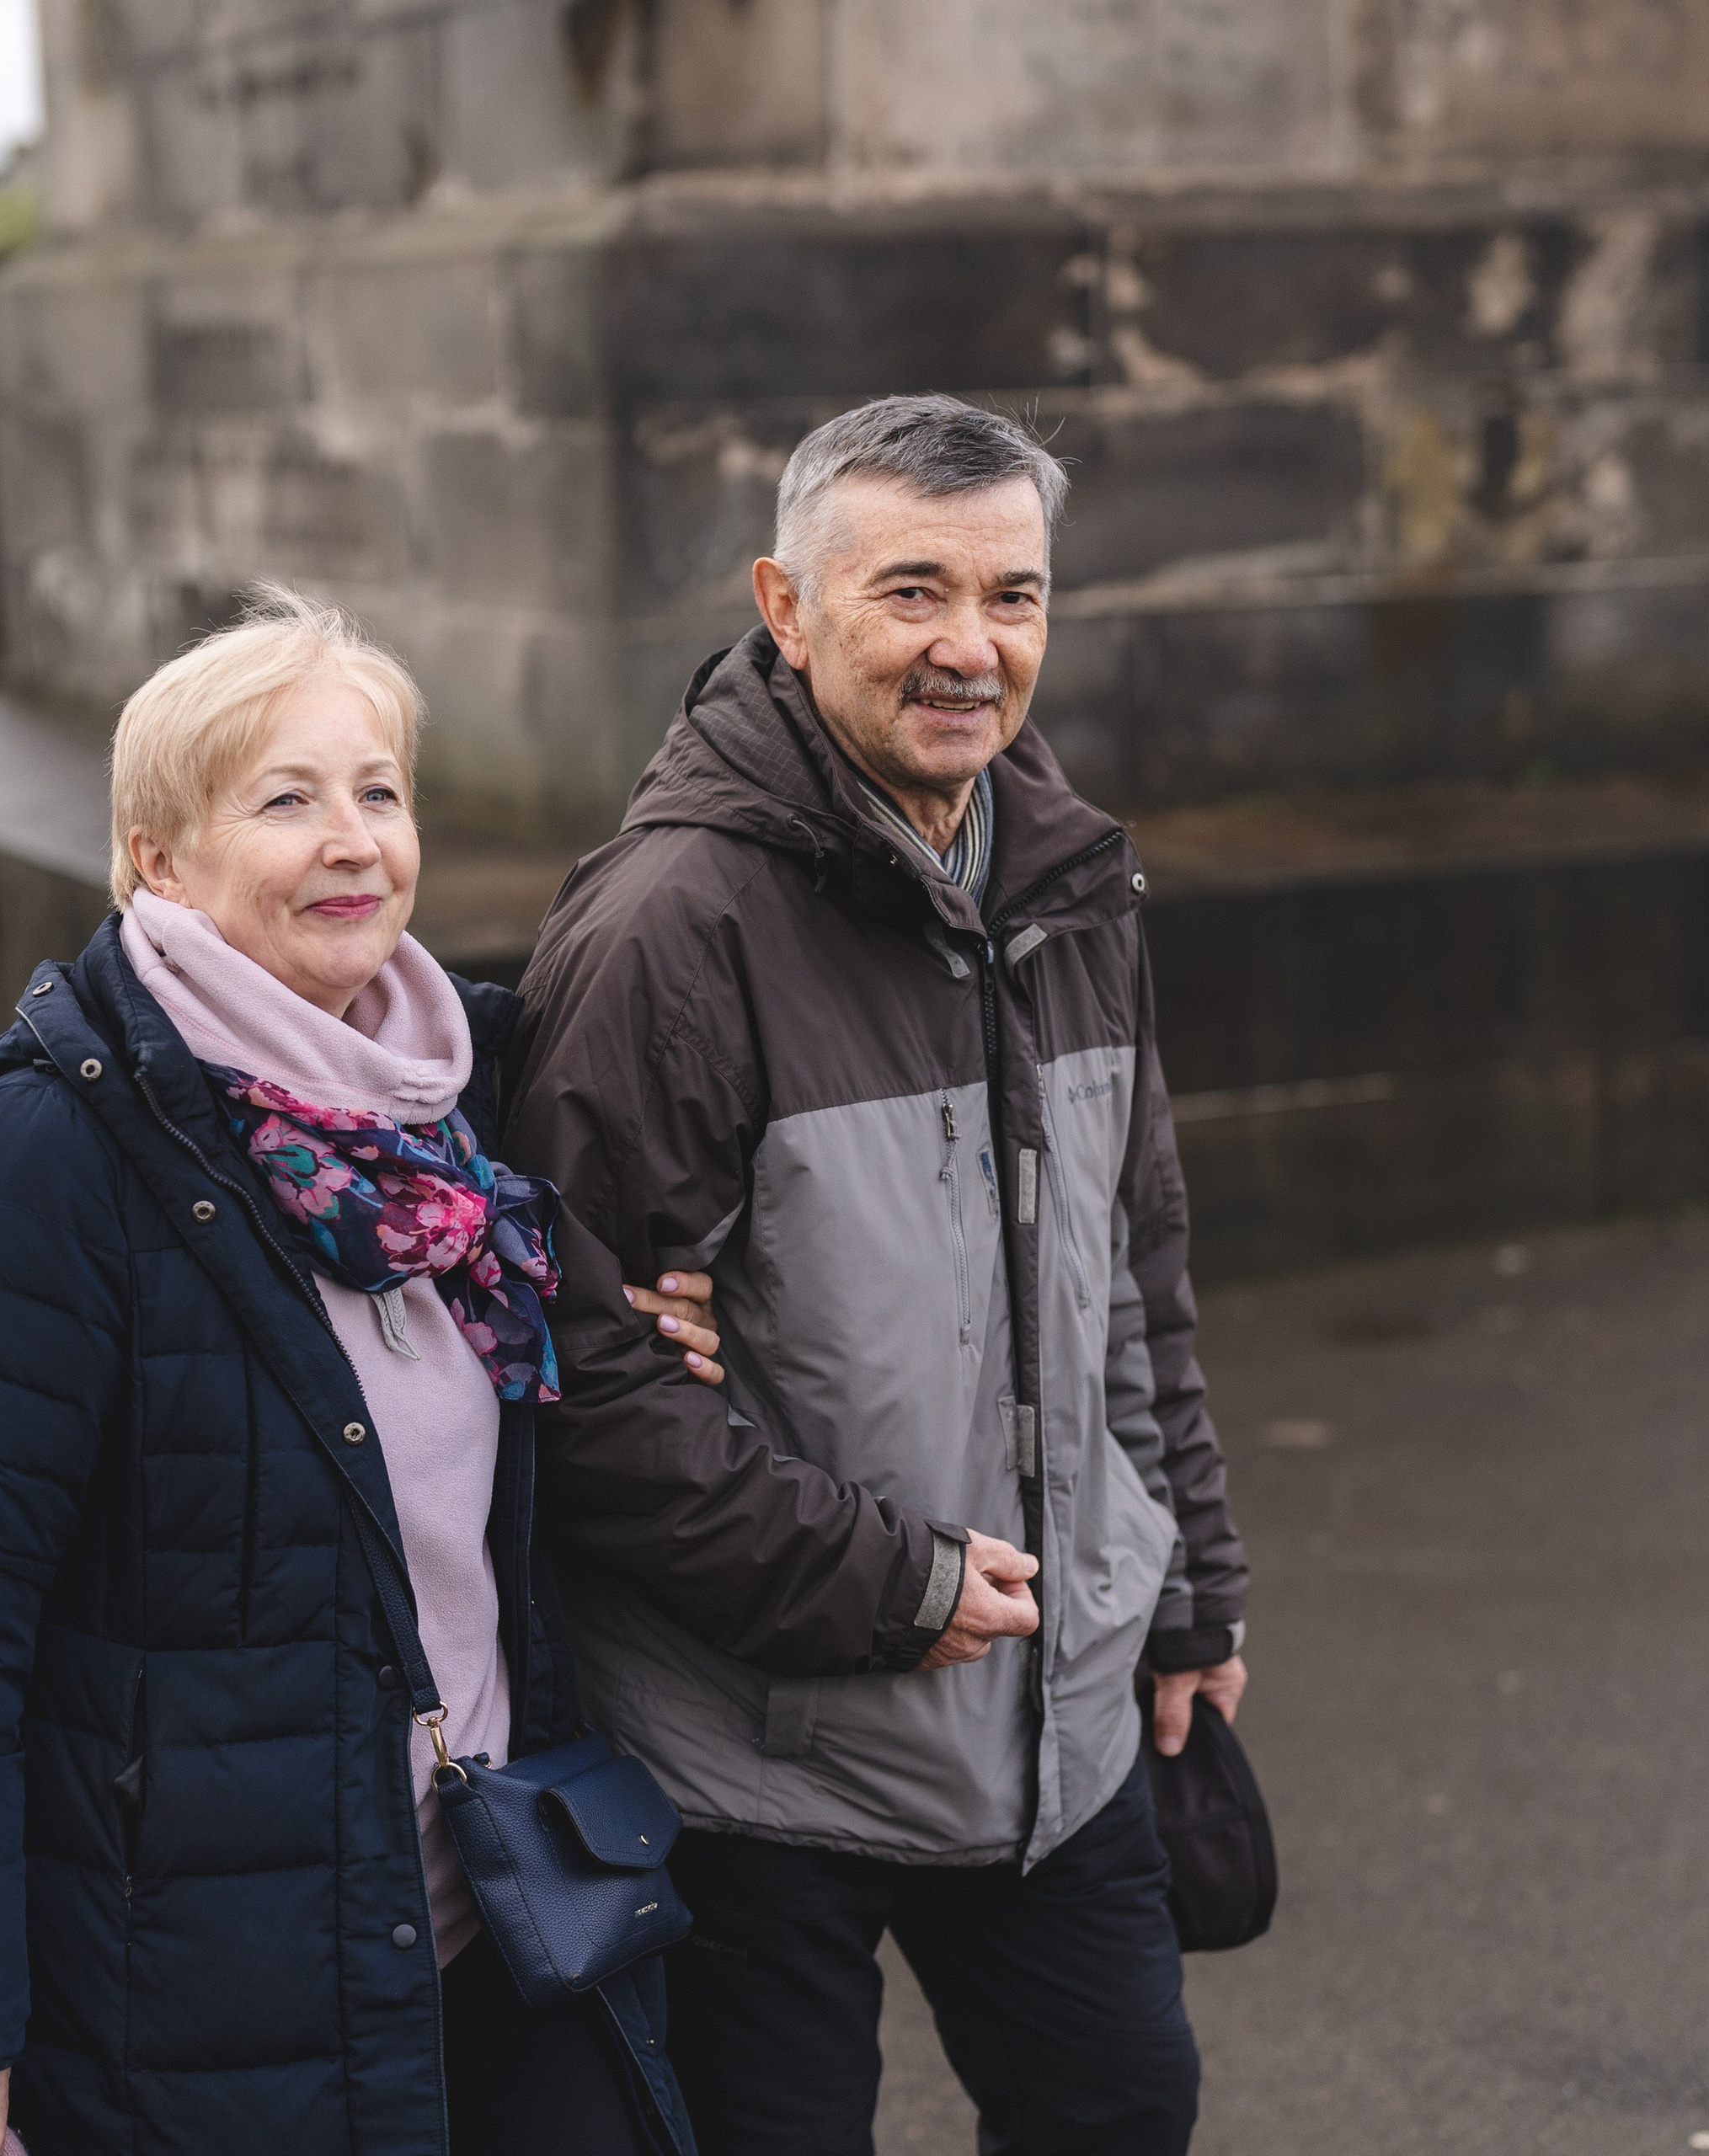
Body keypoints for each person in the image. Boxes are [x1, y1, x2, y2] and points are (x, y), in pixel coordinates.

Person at [0, 589, 713, 2156]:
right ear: (158, 858)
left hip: (486, 1917)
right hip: (198, 1990)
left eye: (380, 791)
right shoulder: (48, 1157)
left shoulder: (453, 1112)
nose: (353, 841)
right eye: (287, 801)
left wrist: (647, 1323)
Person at [502, 395, 1251, 2155]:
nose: (969, 647)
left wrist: (1189, 1587)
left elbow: (1132, 1268)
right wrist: (885, 1583)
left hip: (1055, 1717)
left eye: (1012, 594)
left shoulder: (1070, 880)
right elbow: (574, 1373)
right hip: (759, 1756)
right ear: (784, 604)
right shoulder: (667, 927)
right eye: (911, 590)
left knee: (1121, 2109)